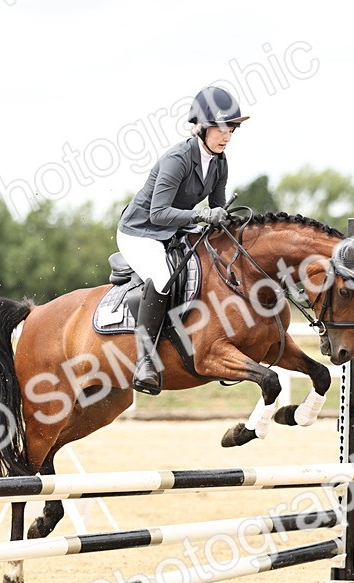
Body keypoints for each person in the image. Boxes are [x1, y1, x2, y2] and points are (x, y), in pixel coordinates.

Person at [117, 86, 249, 395]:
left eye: (231, 127)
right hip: (140, 231)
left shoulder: (219, 161)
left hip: (172, 230)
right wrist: (204, 216)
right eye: (220, 127)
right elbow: (159, 213)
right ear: (201, 128)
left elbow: (218, 206)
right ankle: (146, 361)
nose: (226, 134)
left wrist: (230, 221)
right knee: (163, 276)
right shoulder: (177, 159)